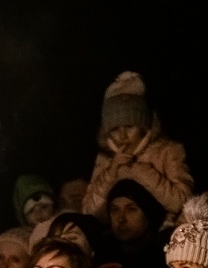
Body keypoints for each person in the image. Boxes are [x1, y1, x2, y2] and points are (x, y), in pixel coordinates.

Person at [80, 72, 193, 223]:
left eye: (129, 127)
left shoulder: (168, 151)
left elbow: (185, 204)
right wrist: (111, 174)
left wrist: (140, 171)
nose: (122, 136)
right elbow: (89, 215)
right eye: (115, 129)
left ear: (143, 127)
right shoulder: (105, 160)